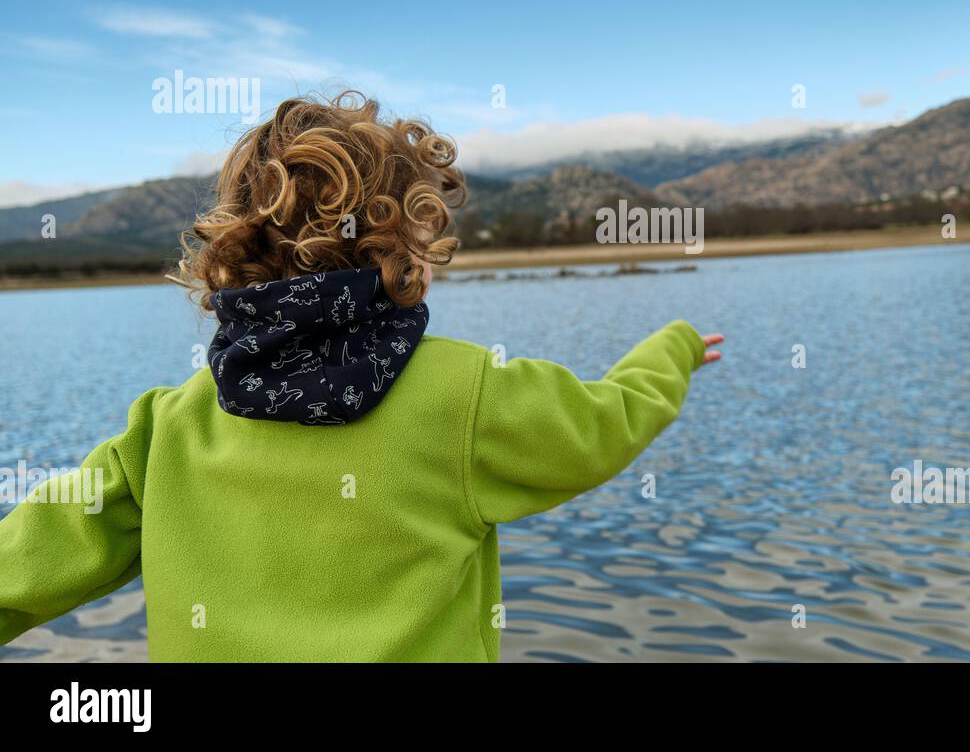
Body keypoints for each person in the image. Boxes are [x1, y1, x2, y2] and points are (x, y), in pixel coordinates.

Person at [0, 92, 722, 661]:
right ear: (405, 241)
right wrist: (674, 348)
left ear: (235, 248)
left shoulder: (165, 430)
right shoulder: (465, 394)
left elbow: (22, 570)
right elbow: (605, 425)